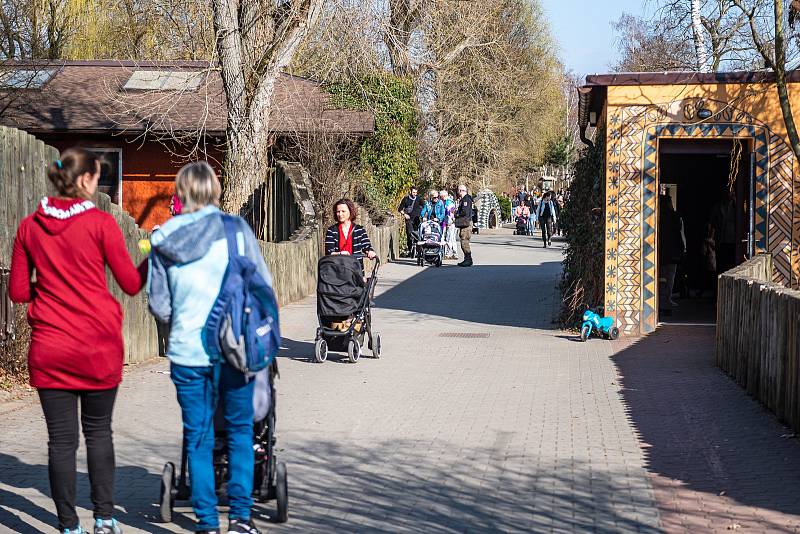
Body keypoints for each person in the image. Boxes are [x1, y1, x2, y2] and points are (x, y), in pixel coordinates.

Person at [9, 148, 148, 534]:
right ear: (86, 179)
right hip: (97, 346)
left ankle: (69, 526)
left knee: (60, 442)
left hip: (50, 348)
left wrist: (50, 292)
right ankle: (104, 519)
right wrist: (152, 253)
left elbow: (19, 292)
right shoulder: (102, 224)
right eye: (99, 176)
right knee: (99, 432)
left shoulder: (28, 227)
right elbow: (131, 284)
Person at [148, 161, 272, 534]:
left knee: (198, 436)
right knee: (239, 433)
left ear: (181, 193)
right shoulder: (237, 232)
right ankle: (239, 519)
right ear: (215, 190)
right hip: (233, 349)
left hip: (187, 353)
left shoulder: (164, 237)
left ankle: (205, 522)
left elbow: (159, 305)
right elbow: (262, 285)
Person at [658, 192, 685, 315]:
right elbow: (681, 234)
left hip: (662, 251)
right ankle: (667, 299)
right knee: (670, 277)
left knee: (662, 276)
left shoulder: (658, 217)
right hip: (673, 251)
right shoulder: (675, 217)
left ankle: (661, 299)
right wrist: (683, 249)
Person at [397, 186, 422, 257]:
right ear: (410, 192)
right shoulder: (406, 199)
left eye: (416, 192)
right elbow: (400, 209)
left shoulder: (419, 199)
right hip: (409, 220)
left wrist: (423, 214)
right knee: (410, 234)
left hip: (417, 219)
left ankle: (418, 251)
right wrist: (404, 214)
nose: (415, 194)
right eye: (413, 192)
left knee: (417, 234)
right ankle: (410, 249)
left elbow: (424, 206)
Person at [455, 184, 474, 267]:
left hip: (466, 223)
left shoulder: (466, 200)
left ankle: (468, 259)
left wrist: (456, 214)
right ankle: (467, 259)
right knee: (463, 241)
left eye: (458, 191)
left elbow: (465, 212)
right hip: (465, 223)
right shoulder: (465, 199)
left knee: (464, 241)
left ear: (460, 191)